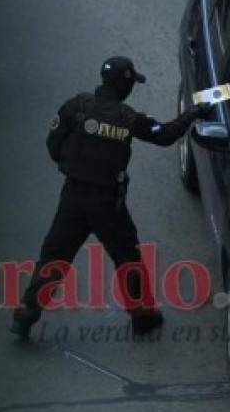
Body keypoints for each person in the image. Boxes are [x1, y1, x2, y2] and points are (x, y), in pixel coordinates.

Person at [11, 57, 214, 338]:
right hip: (108, 202)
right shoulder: (129, 118)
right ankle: (142, 315)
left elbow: (53, 145)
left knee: (55, 256)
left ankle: (26, 312)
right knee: (127, 257)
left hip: (73, 196)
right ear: (127, 85)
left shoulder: (76, 106)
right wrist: (192, 114)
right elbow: (165, 135)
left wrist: (74, 165)